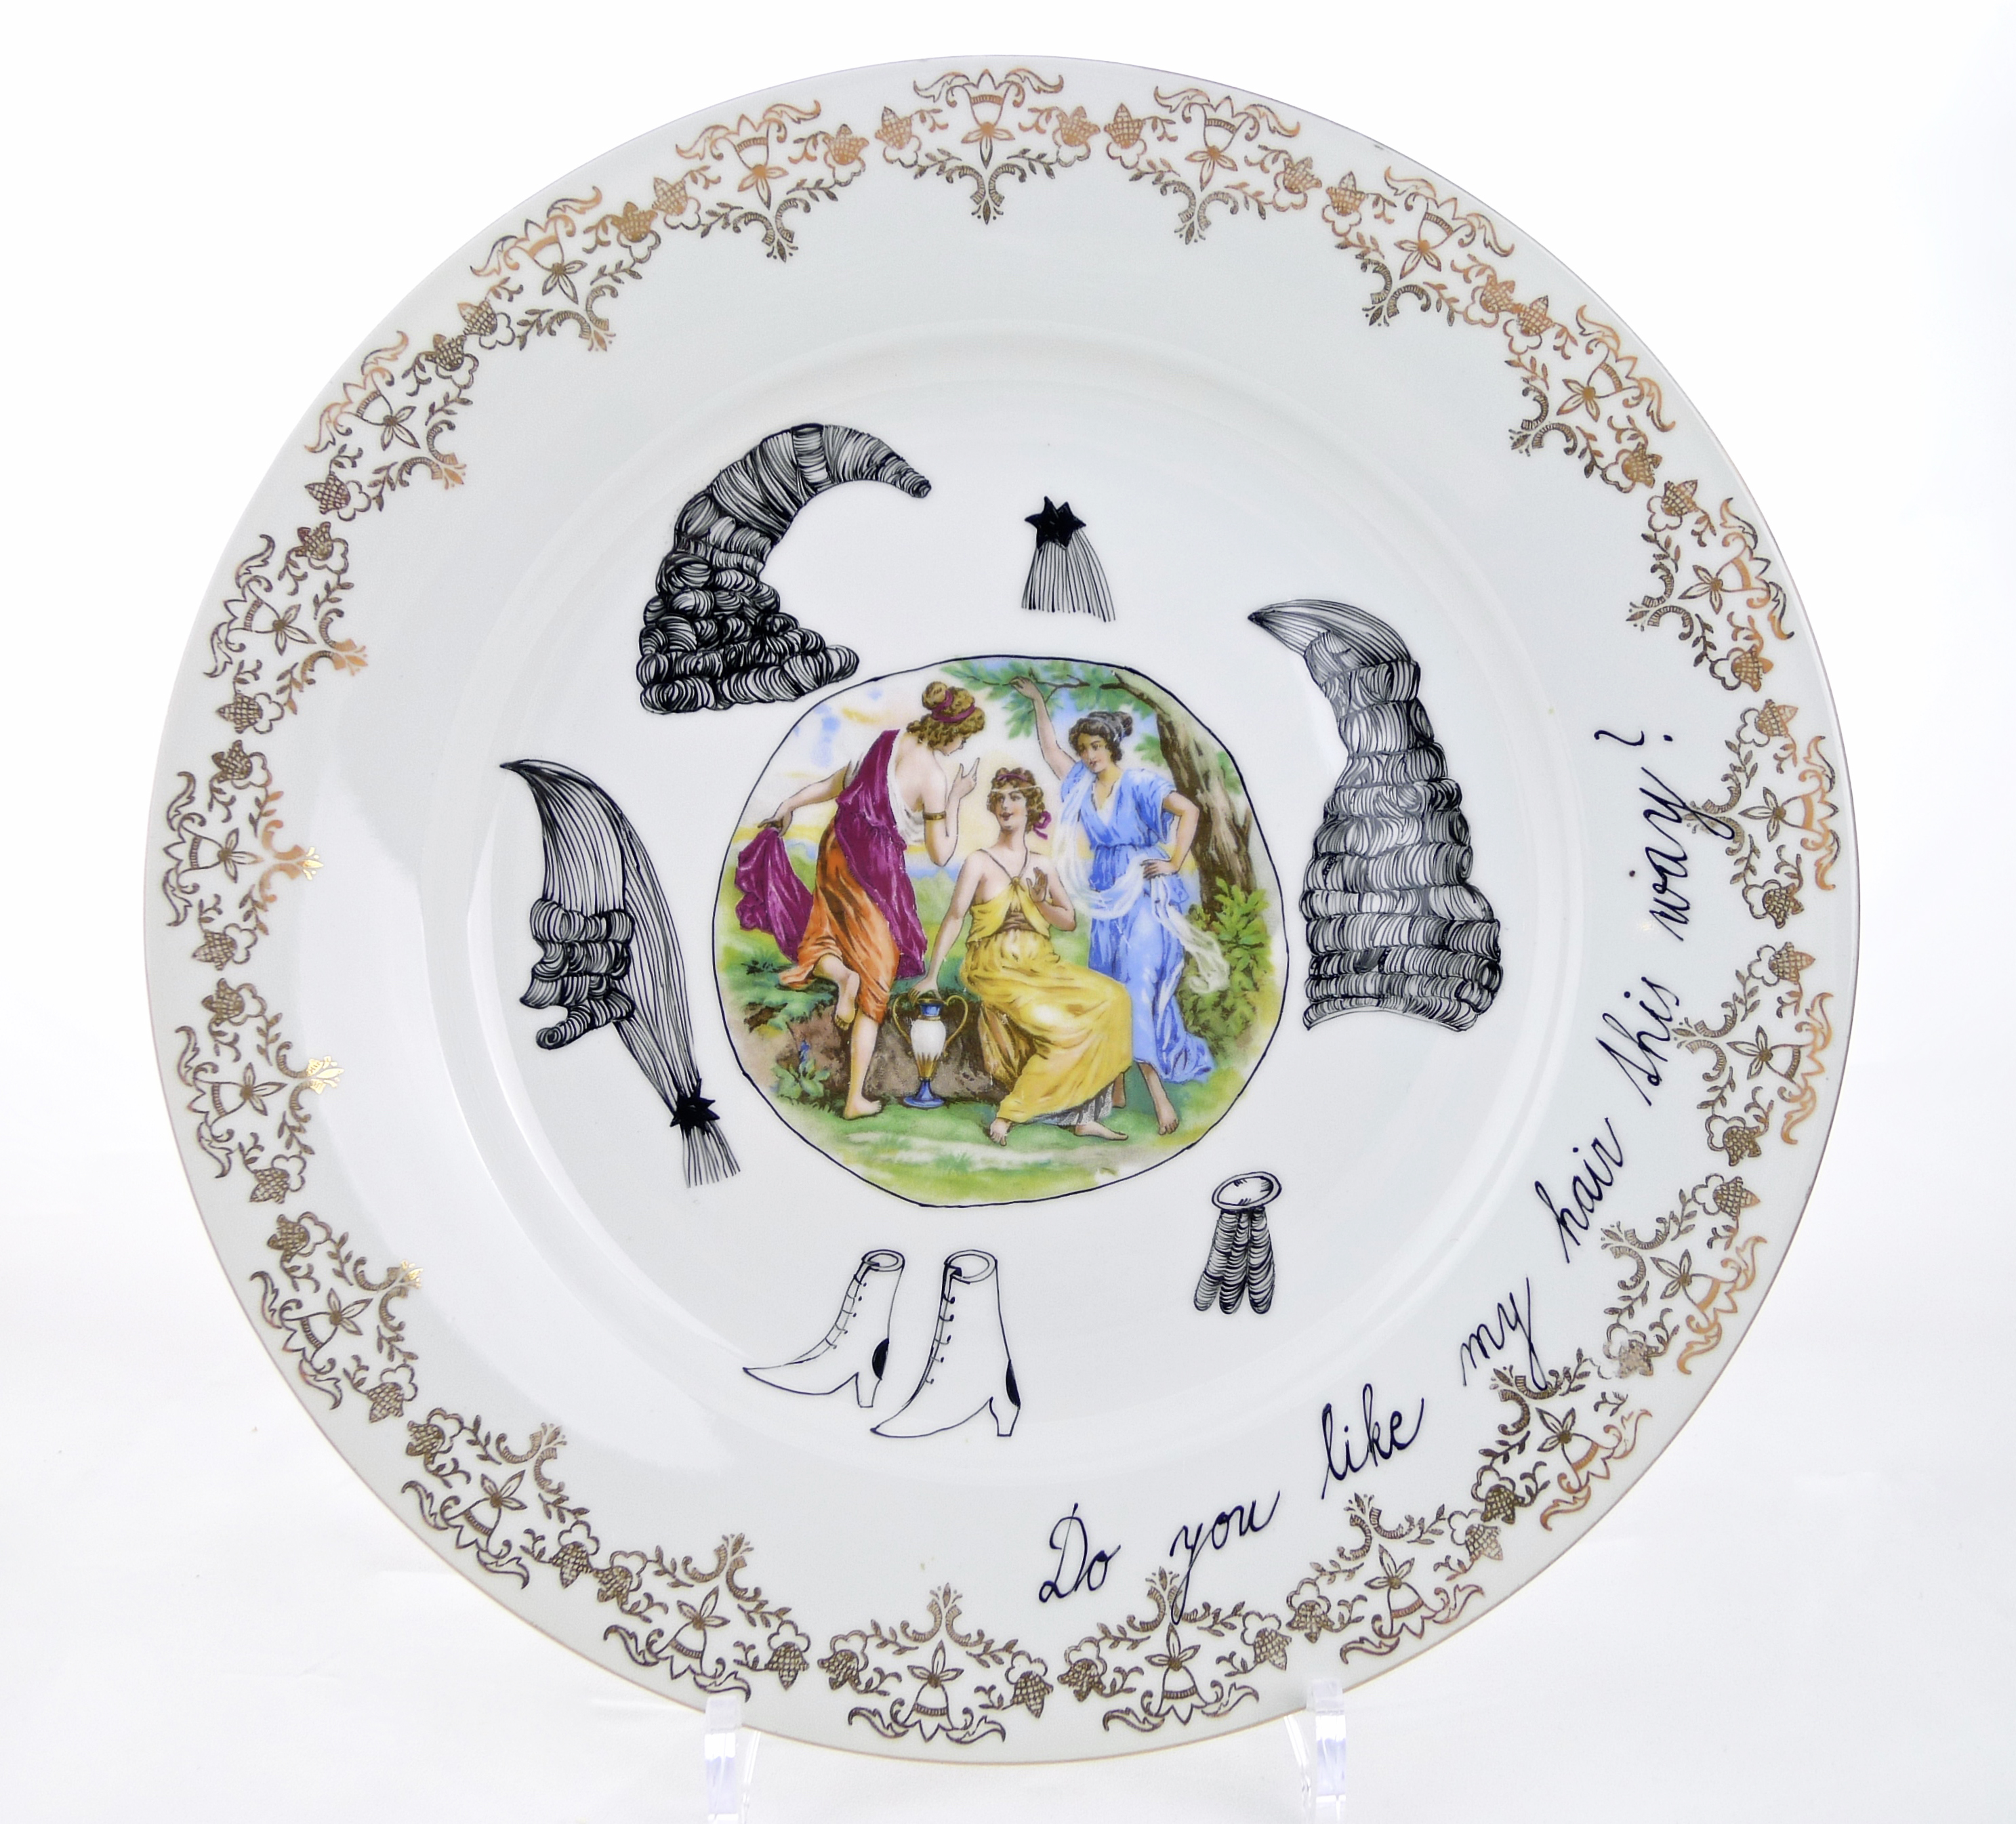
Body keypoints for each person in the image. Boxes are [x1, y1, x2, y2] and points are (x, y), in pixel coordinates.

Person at [737, 681, 983, 1119]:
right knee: (877, 977)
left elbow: (838, 783)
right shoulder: (933, 776)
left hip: (837, 847)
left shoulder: (887, 741)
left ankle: (842, 977)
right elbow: (941, 854)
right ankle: (854, 1099)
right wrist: (955, 798)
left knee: (825, 932)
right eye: (964, 738)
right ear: (951, 734)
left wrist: (790, 803)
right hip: (876, 869)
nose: (962, 746)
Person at [1012, 678, 1220, 1136]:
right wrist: (1039, 702)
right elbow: (1050, 751)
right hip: (1106, 898)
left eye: (1097, 746)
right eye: (1084, 748)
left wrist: (1174, 862)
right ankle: (1117, 1085)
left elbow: (1189, 810)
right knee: (1108, 984)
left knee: (1136, 987)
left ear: (1111, 746)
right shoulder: (1081, 785)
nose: (1090, 756)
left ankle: (1159, 1097)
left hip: (1143, 893)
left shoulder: (1140, 783)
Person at [916, 768, 1132, 1146]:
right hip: (995, 968)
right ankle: (1009, 1114)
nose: (1006, 805)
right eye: (999, 798)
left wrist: (1040, 903)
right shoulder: (979, 862)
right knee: (1063, 1029)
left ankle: (1083, 1116)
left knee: (1114, 998)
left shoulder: (1042, 864)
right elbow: (954, 917)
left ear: (1030, 807)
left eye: (1015, 797)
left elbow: (1068, 921)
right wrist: (932, 976)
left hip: (1042, 965)